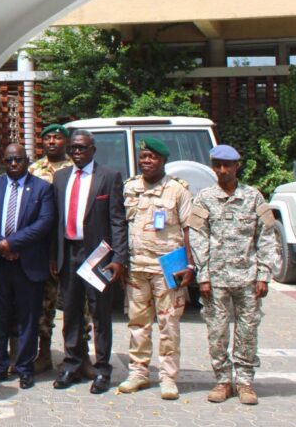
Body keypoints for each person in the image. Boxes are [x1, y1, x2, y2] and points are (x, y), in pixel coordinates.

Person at [190, 144, 279, 406]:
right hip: (216, 280)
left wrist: (263, 274)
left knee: (247, 332)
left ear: (237, 166)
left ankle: (245, 382)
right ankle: (222, 381)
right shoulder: (204, 198)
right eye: (217, 165)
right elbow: (198, 237)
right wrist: (203, 275)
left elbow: (266, 236)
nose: (222, 170)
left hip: (248, 278)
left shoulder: (254, 197)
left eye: (227, 165)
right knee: (217, 332)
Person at [116, 138, 194, 400]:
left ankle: (168, 377)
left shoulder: (177, 190)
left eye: (153, 157)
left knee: (169, 324)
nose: (147, 161)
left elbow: (189, 229)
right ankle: (138, 372)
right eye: (144, 156)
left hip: (167, 268)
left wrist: (190, 265)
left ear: (163, 161)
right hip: (137, 267)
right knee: (138, 323)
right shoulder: (130, 188)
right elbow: (120, 225)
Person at [52, 130, 128, 394]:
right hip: (69, 252)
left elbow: (117, 220)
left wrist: (119, 257)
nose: (76, 152)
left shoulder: (109, 176)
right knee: (71, 311)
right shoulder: (61, 177)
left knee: (100, 313)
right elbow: (55, 220)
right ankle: (71, 364)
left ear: (93, 150)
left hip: (98, 255)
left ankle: (103, 369)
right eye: (72, 148)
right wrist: (54, 256)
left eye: (81, 148)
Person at [0, 144, 57, 390]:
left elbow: (44, 222)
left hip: (27, 263)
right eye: (9, 160)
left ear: (27, 160)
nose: (13, 164)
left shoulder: (42, 188)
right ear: (3, 161)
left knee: (27, 319)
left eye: (18, 159)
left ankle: (24, 368)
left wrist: (12, 243)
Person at [28, 123, 74, 374]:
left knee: (77, 305)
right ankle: (44, 354)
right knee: (44, 304)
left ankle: (75, 355)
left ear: (65, 142)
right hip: (43, 247)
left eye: (57, 138)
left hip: (72, 246)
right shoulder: (34, 170)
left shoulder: (76, 167)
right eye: (48, 138)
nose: (52, 142)